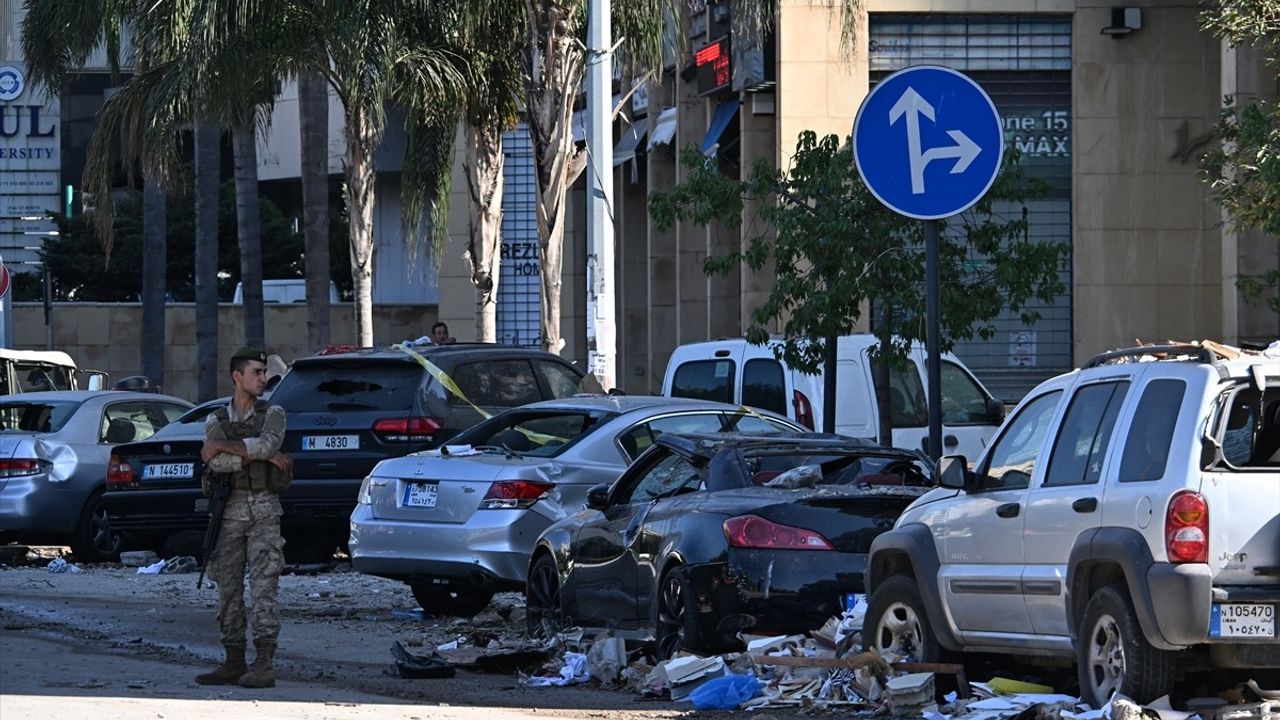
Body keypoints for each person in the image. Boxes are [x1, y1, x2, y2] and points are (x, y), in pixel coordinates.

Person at [195, 347, 293, 689]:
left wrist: (225, 447)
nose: (263, 379)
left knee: (265, 588)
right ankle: (233, 661)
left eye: (265, 372)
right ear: (237, 376)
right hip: (229, 512)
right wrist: (251, 454)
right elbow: (214, 462)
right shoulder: (216, 420)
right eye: (256, 372)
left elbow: (268, 445)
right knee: (228, 590)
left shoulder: (274, 412)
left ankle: (264, 664)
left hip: (265, 511)